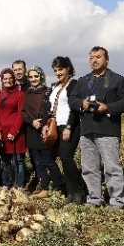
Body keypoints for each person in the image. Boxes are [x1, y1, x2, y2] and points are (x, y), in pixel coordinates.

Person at [69, 46, 124, 209]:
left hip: (108, 129)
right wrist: (81, 104)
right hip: (87, 130)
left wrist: (108, 108)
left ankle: (117, 201)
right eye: (91, 57)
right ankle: (94, 199)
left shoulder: (117, 80)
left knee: (112, 167)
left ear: (107, 60)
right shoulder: (83, 81)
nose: (94, 60)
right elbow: (72, 99)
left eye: (98, 57)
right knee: (89, 167)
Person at [22, 66, 63, 198]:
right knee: (38, 162)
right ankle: (44, 188)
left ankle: (59, 186)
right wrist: (31, 121)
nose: (34, 79)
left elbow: (50, 109)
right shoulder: (26, 93)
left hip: (43, 129)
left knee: (48, 161)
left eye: (36, 76)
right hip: (31, 130)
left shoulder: (47, 92)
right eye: (31, 77)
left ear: (41, 77)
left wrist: (42, 121)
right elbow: (23, 112)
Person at [49, 56, 85, 204]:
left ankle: (79, 192)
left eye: (61, 69)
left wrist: (69, 127)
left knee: (67, 157)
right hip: (56, 125)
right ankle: (70, 193)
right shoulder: (55, 87)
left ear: (68, 68)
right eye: (56, 70)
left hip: (69, 125)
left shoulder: (74, 84)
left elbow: (75, 108)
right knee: (63, 159)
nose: (58, 73)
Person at [0, 68, 26, 189]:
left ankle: (19, 185)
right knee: (4, 160)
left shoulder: (20, 94)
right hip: (1, 132)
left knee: (19, 160)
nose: (8, 81)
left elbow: (21, 113)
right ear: (2, 80)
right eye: (5, 78)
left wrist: (14, 131)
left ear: (14, 79)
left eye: (10, 78)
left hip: (16, 131)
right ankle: (7, 184)